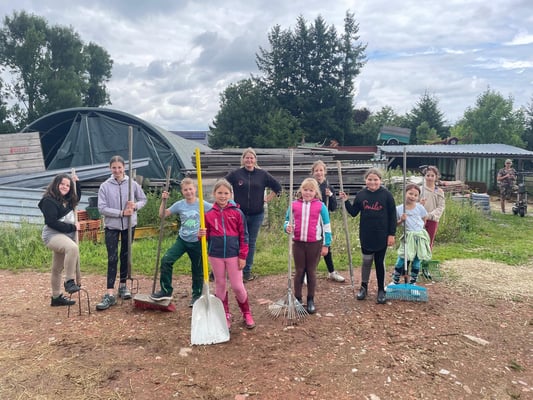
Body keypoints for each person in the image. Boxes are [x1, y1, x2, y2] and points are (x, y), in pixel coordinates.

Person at [198, 179, 255, 329]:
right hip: (215, 255)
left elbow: (244, 236)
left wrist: (243, 256)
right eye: (219, 193)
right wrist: (200, 234)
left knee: (237, 286)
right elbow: (205, 238)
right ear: (214, 194)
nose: (222, 196)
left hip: (233, 255)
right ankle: (225, 314)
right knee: (220, 284)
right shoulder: (208, 214)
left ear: (230, 194)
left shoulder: (237, 213)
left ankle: (246, 312)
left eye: (225, 193)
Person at [150, 178, 212, 307]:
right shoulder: (180, 204)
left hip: (197, 241)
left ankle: (197, 295)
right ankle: (166, 291)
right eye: (185, 190)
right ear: (182, 191)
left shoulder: (203, 204)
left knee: (197, 269)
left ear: (195, 189)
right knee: (166, 260)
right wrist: (163, 201)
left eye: (190, 189)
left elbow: (216, 213)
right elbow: (162, 214)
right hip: (182, 240)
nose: (188, 192)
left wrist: (207, 229)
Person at [96, 155, 147, 311]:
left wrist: (135, 206)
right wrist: (121, 213)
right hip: (112, 226)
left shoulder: (132, 184)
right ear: (110, 168)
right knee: (112, 258)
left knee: (125, 255)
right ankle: (109, 292)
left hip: (129, 225)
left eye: (119, 167)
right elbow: (102, 208)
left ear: (124, 168)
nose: (117, 170)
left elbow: (143, 199)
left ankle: (123, 285)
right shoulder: (105, 186)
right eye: (114, 168)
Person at [339, 168, 396, 304]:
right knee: (366, 261)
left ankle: (381, 290)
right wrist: (346, 201)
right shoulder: (361, 195)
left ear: (380, 180)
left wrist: (391, 234)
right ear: (366, 180)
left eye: (375, 179)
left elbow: (392, 216)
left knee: (379, 263)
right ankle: (363, 288)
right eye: (370, 179)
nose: (372, 182)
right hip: (366, 234)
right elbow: (354, 212)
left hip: (382, 234)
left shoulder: (387, 195)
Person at [225, 147, 282, 282]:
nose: (249, 160)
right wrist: (229, 199)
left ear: (255, 160)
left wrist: (268, 198)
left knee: (250, 242)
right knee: (235, 241)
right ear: (243, 159)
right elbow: (222, 185)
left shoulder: (262, 174)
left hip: (257, 214)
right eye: (247, 158)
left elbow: (277, 187)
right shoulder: (236, 174)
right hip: (239, 214)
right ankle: (232, 268)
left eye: (252, 158)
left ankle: (246, 271)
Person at [284, 178, 332, 314]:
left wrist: (326, 244)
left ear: (315, 192)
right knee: (299, 271)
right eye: (305, 190)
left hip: (314, 244)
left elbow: (326, 226)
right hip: (298, 243)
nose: (308, 193)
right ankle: (298, 299)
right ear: (301, 190)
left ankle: (310, 299)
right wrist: (287, 227)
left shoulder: (321, 206)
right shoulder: (294, 205)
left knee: (311, 271)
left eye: (311, 190)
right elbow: (287, 221)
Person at [38, 173, 82, 307]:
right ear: (56, 184)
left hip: (65, 235)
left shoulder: (67, 199)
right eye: (62, 184)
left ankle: (56, 297)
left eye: (68, 185)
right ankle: (69, 281)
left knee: (57, 268)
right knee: (72, 248)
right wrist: (73, 227)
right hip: (52, 235)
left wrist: (77, 184)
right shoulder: (48, 201)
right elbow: (51, 222)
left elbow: (77, 198)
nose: (65, 187)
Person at [311, 160, 345, 282]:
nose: (319, 173)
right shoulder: (310, 186)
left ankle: (331, 272)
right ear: (313, 172)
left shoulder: (329, 187)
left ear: (325, 171)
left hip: (324, 221)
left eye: (321, 170)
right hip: (312, 221)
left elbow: (333, 208)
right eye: (316, 170)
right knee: (312, 247)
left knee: (326, 246)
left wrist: (330, 195)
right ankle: (308, 272)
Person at [392, 184, 432, 285]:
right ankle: (395, 280)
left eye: (415, 195)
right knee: (402, 257)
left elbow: (424, 218)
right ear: (405, 193)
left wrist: (419, 228)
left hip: (419, 236)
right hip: (408, 237)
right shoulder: (399, 209)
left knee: (417, 259)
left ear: (418, 197)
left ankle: (413, 282)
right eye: (410, 193)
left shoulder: (420, 207)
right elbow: (394, 224)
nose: (412, 197)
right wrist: (401, 220)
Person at [420, 166, 445, 249]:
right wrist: (420, 205)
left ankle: (427, 256)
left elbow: (441, 206)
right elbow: (413, 204)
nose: (430, 178)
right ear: (424, 176)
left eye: (432, 176)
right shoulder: (420, 190)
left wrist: (430, 215)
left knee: (429, 241)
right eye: (428, 175)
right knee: (419, 240)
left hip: (432, 220)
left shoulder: (439, 191)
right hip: (419, 220)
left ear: (436, 177)